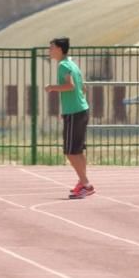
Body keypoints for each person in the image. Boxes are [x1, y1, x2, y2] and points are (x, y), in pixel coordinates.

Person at [45, 37, 94, 199]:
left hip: (75, 113)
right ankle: (83, 182)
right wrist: (69, 106)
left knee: (70, 152)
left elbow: (71, 86)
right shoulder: (72, 64)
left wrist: (52, 87)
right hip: (80, 110)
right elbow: (83, 88)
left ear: (59, 49)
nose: (49, 50)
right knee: (78, 150)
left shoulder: (63, 65)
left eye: (51, 47)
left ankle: (86, 184)